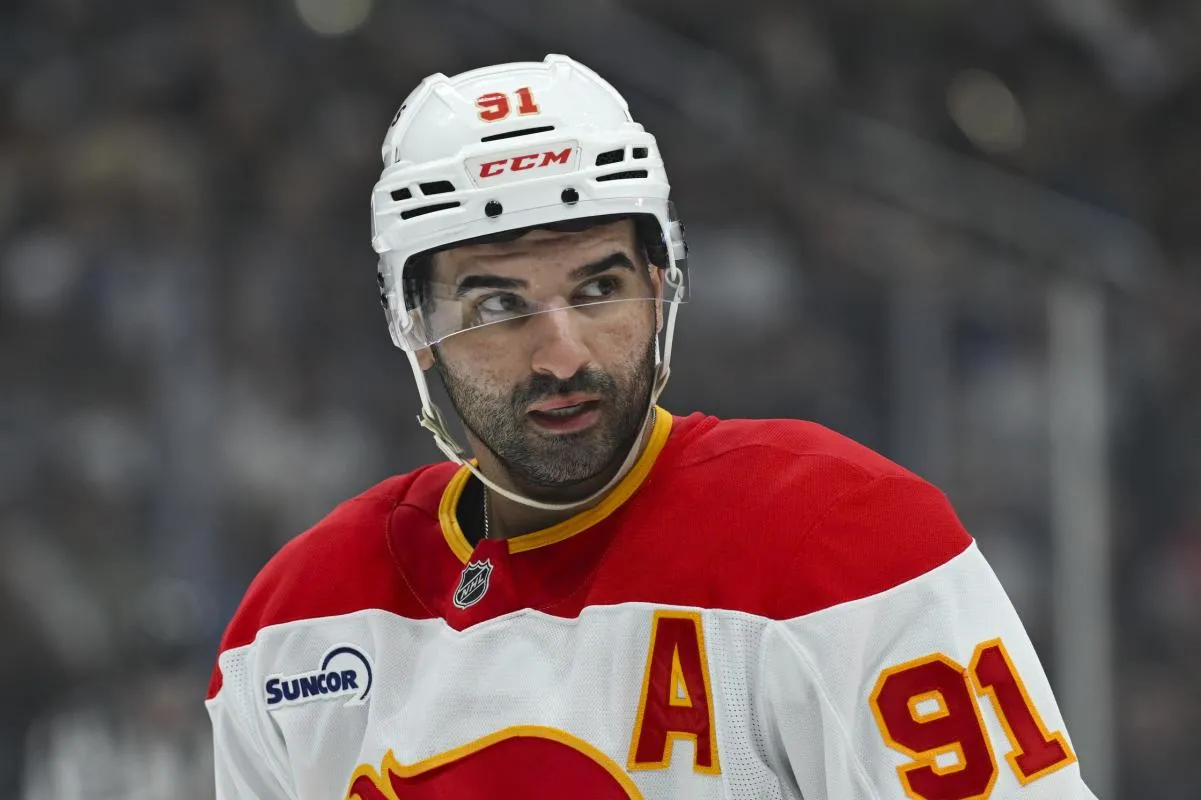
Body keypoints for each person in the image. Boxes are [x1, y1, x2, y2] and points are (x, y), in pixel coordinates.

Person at [206, 54, 1098, 799]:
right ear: (416, 329)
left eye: (599, 288)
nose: (562, 355)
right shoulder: (295, 628)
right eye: (497, 306)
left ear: (662, 285)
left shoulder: (841, 540)